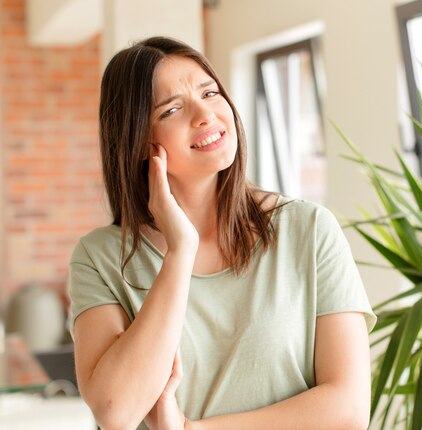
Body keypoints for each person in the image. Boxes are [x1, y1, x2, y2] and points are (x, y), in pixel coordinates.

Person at [69, 36, 376, 430]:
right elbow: (116, 411)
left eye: (210, 92)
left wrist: (192, 429)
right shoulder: (100, 257)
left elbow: (349, 410)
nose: (205, 114)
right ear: (141, 143)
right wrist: (180, 251)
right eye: (172, 109)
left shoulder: (309, 229)